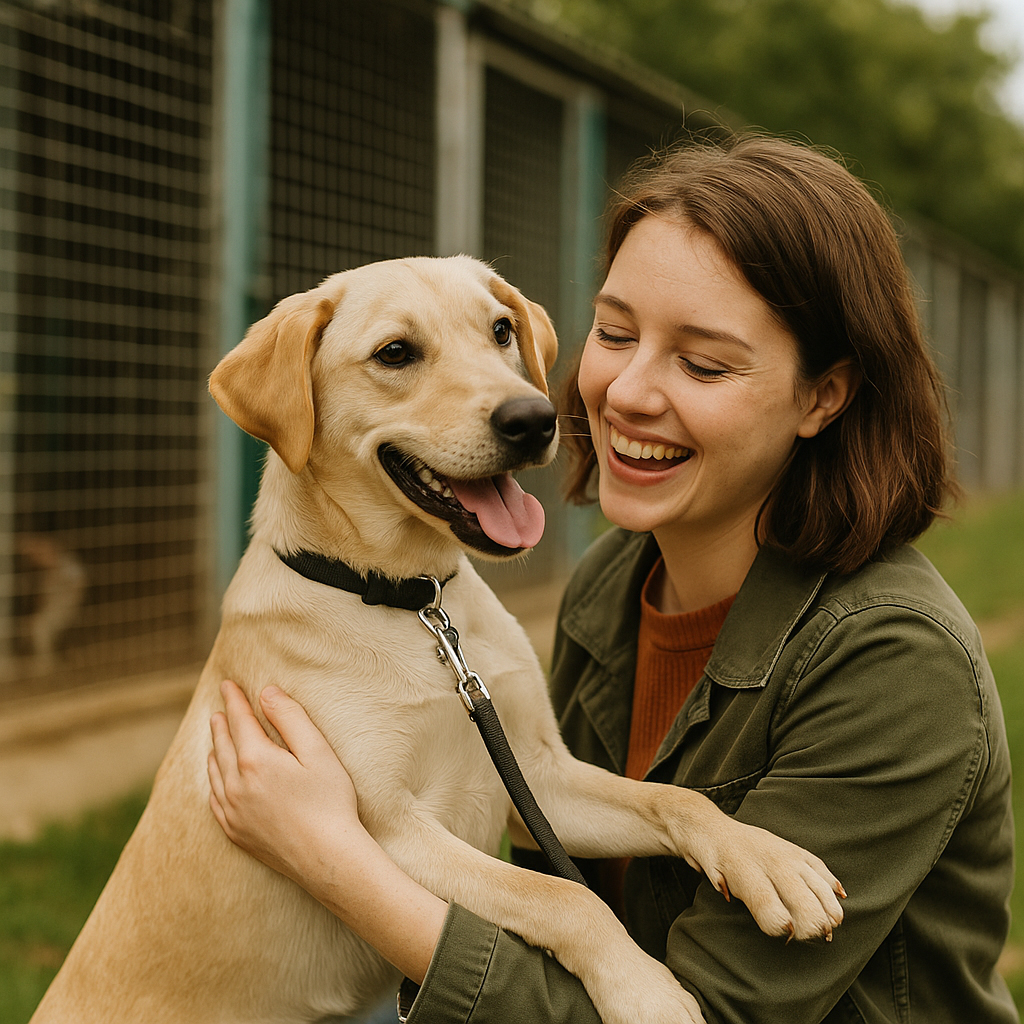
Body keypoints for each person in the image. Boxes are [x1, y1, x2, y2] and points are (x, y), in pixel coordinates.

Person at [206, 134, 1018, 1024]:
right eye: (616, 332)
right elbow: (532, 808)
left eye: (703, 363)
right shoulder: (613, 579)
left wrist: (330, 855)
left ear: (823, 396)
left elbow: (704, 1012)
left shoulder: (895, 664)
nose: (625, 393)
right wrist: (686, 825)